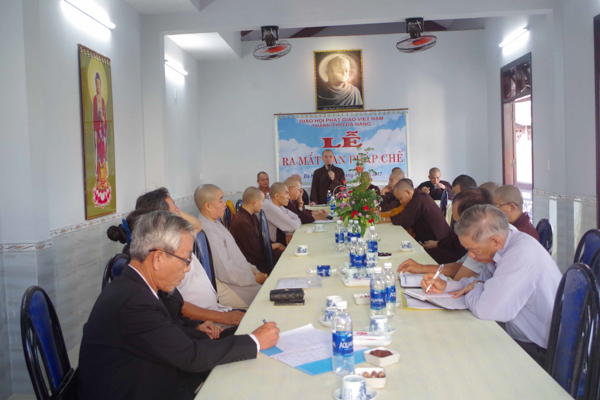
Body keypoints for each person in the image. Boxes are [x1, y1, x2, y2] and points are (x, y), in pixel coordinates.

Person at [78, 211, 280, 400]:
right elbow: (191, 356)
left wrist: (201, 327)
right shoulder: (132, 303)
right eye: (186, 259)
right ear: (158, 258)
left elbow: (170, 325)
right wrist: (255, 341)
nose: (188, 268)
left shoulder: (139, 285)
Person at [421, 205, 561, 367]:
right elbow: (480, 283)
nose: (470, 256)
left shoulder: (520, 256)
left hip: (536, 350)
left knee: (459, 354)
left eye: (473, 250)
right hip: (515, 332)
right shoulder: (502, 244)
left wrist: (477, 288)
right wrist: (446, 286)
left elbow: (485, 309)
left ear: (495, 241)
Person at [133, 188, 245, 326]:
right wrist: (222, 318)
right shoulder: (161, 259)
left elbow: (198, 225)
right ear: (161, 219)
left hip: (213, 311)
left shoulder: (179, 238)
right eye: (174, 208)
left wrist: (175, 214)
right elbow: (175, 305)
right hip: (203, 320)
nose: (178, 211)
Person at [398, 188, 495, 280]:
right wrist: (421, 268)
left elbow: (459, 279)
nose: (457, 228)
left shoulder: (484, 245)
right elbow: (463, 265)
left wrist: (443, 284)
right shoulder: (481, 239)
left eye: (458, 222)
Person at [195, 184, 267, 309]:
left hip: (241, 279)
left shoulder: (215, 223)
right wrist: (254, 278)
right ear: (208, 206)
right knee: (267, 300)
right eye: (220, 200)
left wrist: (253, 270)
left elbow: (236, 256)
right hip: (231, 286)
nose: (224, 204)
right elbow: (227, 273)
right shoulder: (209, 231)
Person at [229, 187, 285, 274]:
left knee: (286, 253)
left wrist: (277, 245)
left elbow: (262, 238)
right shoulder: (242, 222)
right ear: (255, 202)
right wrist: (277, 245)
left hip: (260, 255)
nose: (262, 205)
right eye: (262, 201)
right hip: (253, 263)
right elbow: (257, 252)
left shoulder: (252, 216)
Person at [391, 179, 452, 251]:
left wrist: (386, 218)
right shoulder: (418, 197)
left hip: (438, 243)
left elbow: (402, 221)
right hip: (432, 239)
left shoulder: (418, 200)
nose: (400, 202)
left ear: (408, 192)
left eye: (400, 199)